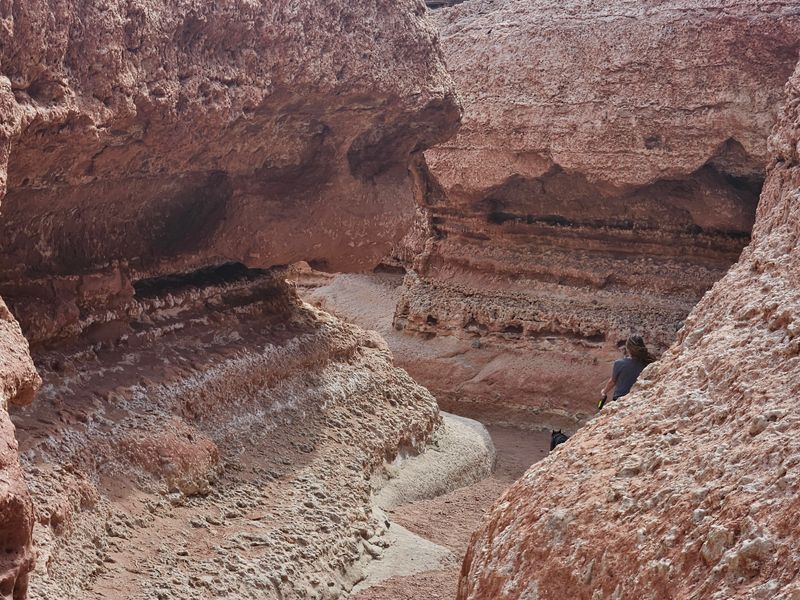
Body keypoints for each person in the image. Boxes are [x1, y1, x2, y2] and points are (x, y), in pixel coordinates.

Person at [599, 334, 655, 407]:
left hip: (619, 400)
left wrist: (604, 392)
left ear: (627, 348)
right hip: (639, 399)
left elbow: (613, 381)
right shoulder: (648, 362)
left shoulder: (619, 363)